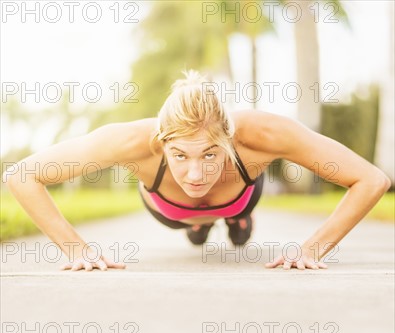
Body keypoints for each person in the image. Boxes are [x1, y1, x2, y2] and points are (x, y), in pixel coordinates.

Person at [4, 70, 391, 271]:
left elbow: (371, 179)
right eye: (179, 156)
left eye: (210, 155)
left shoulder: (263, 133)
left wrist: (313, 249)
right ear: (160, 140)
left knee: (239, 226)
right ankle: (199, 225)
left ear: (231, 138)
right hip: (170, 212)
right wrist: (77, 250)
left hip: (238, 198)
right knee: (190, 230)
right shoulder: (131, 141)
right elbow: (21, 175)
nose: (193, 175)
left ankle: (237, 219)